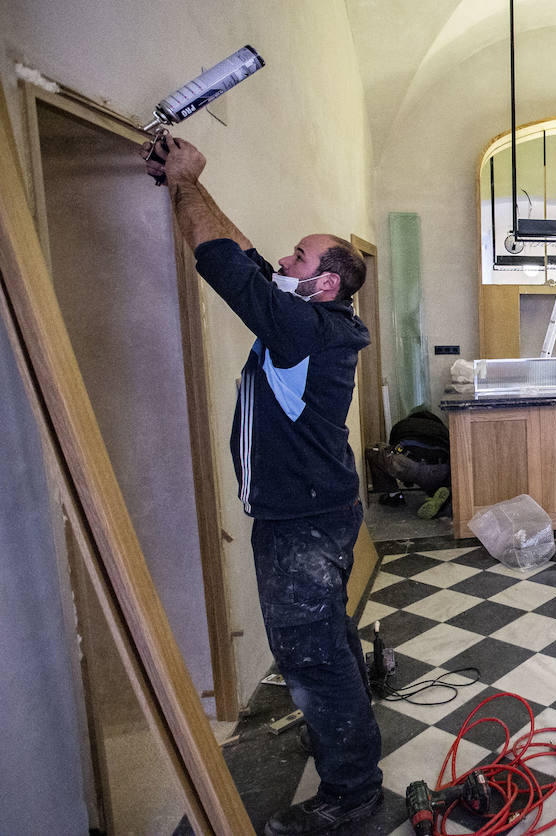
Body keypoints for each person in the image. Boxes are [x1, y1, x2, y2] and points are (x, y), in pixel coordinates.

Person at [143, 135, 383, 835]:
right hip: (320, 512)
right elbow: (248, 255)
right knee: (326, 641)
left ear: (325, 283)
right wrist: (195, 184)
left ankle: (352, 792)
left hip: (301, 522)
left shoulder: (302, 328)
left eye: (299, 259)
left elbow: (223, 263)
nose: (285, 260)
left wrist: (185, 182)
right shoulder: (315, 317)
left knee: (308, 654)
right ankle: (351, 748)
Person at [365, 407, 452, 518]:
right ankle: (441, 495)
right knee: (445, 466)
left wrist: (405, 478)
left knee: (373, 449)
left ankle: (393, 495)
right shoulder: (442, 429)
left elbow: (392, 448)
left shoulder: (403, 425)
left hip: (408, 465)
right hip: (439, 471)